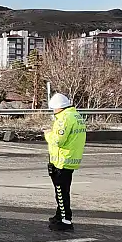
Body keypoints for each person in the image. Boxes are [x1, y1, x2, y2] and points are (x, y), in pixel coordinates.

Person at [45, 93, 86, 232]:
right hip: (69, 159)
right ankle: (59, 215)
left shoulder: (64, 119)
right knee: (62, 191)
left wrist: (47, 134)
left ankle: (65, 220)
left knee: (61, 192)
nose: (53, 111)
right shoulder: (76, 116)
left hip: (62, 160)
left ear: (58, 107)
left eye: (53, 109)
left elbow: (58, 140)